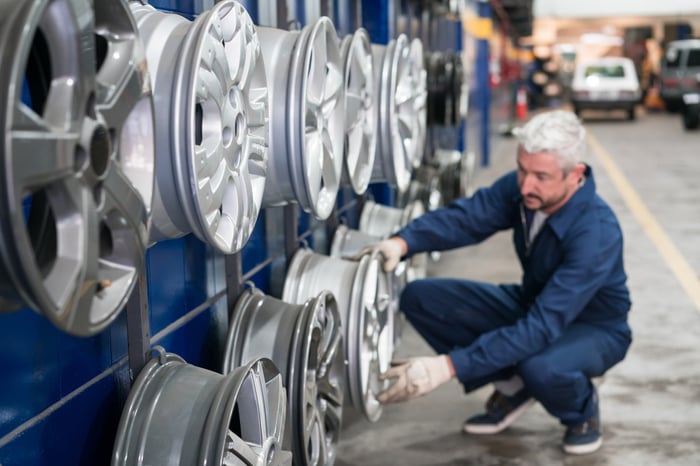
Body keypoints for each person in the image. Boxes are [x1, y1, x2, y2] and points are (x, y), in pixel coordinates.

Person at [370, 109, 632, 455]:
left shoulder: (596, 232)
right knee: (421, 297)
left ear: (576, 175)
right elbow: (469, 218)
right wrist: (402, 242)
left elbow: (542, 326)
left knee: (542, 364)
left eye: (540, 176)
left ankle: (582, 413)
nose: (526, 185)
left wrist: (446, 368)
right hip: (535, 303)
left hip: (594, 328)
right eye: (522, 169)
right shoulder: (525, 189)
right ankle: (513, 387)